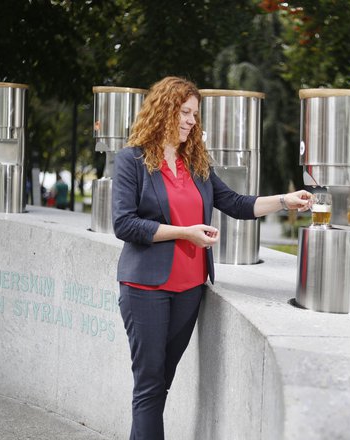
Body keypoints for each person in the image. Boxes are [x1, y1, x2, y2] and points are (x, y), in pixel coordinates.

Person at [112, 76, 311, 440]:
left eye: (194, 114)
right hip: (146, 289)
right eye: (184, 112)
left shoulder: (197, 164)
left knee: (161, 384)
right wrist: (183, 233)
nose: (190, 121)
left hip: (190, 291)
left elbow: (237, 204)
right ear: (164, 110)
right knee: (149, 385)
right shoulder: (132, 161)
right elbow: (124, 224)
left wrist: (285, 200)